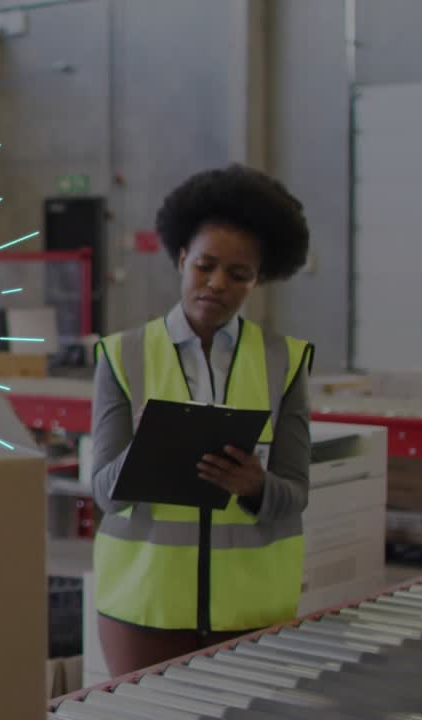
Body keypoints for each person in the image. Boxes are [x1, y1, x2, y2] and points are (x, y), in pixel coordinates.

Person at [89, 164, 314, 677]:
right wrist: (143, 449)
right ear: (182, 258)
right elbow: (104, 492)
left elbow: (297, 491)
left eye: (239, 274)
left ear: (258, 278)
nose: (217, 284)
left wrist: (257, 488)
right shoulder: (121, 356)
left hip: (253, 611)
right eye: (205, 266)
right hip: (143, 610)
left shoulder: (285, 361)